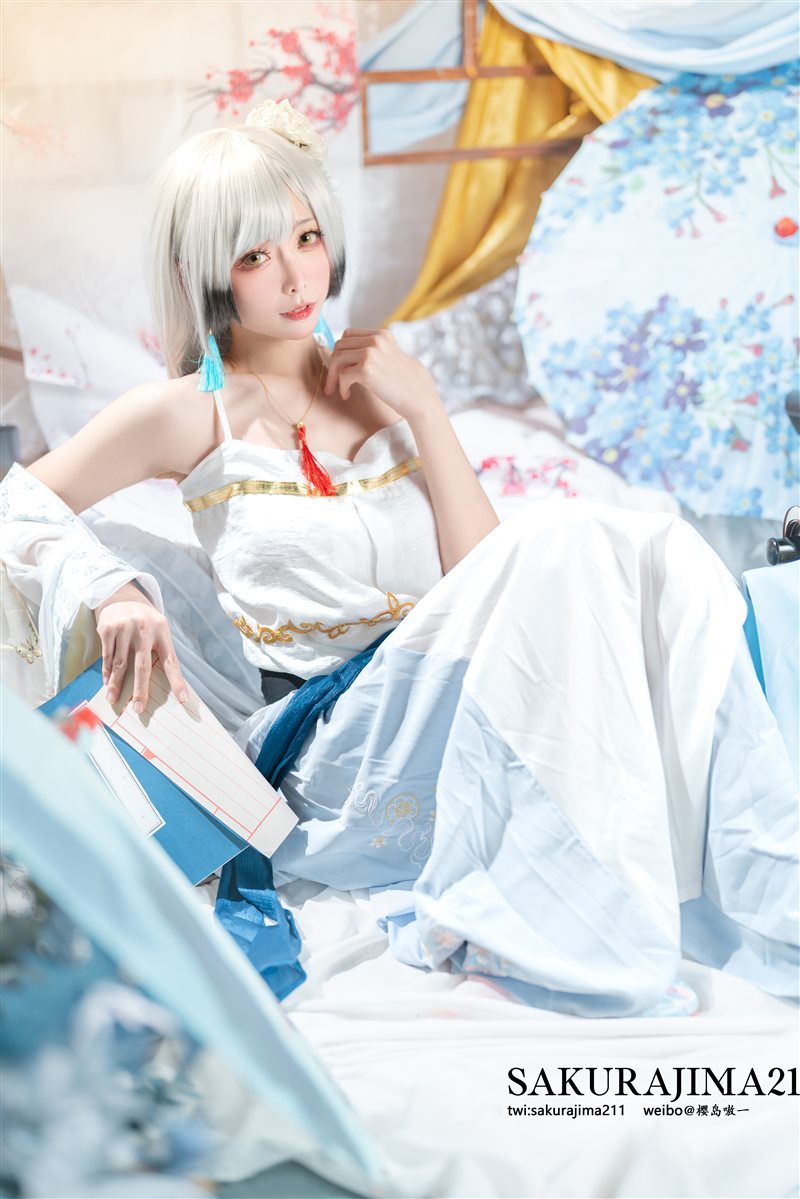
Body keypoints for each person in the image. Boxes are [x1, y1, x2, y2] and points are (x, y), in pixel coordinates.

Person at [1, 101, 797, 1017]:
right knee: (574, 539)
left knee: (660, 549)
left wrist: (424, 410)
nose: (297, 276)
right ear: (205, 272)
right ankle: (573, 929)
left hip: (449, 687)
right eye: (255, 255)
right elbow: (17, 503)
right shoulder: (183, 412)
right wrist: (111, 587)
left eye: (307, 238)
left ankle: (770, 884)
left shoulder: (381, 384)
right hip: (332, 742)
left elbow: (490, 579)